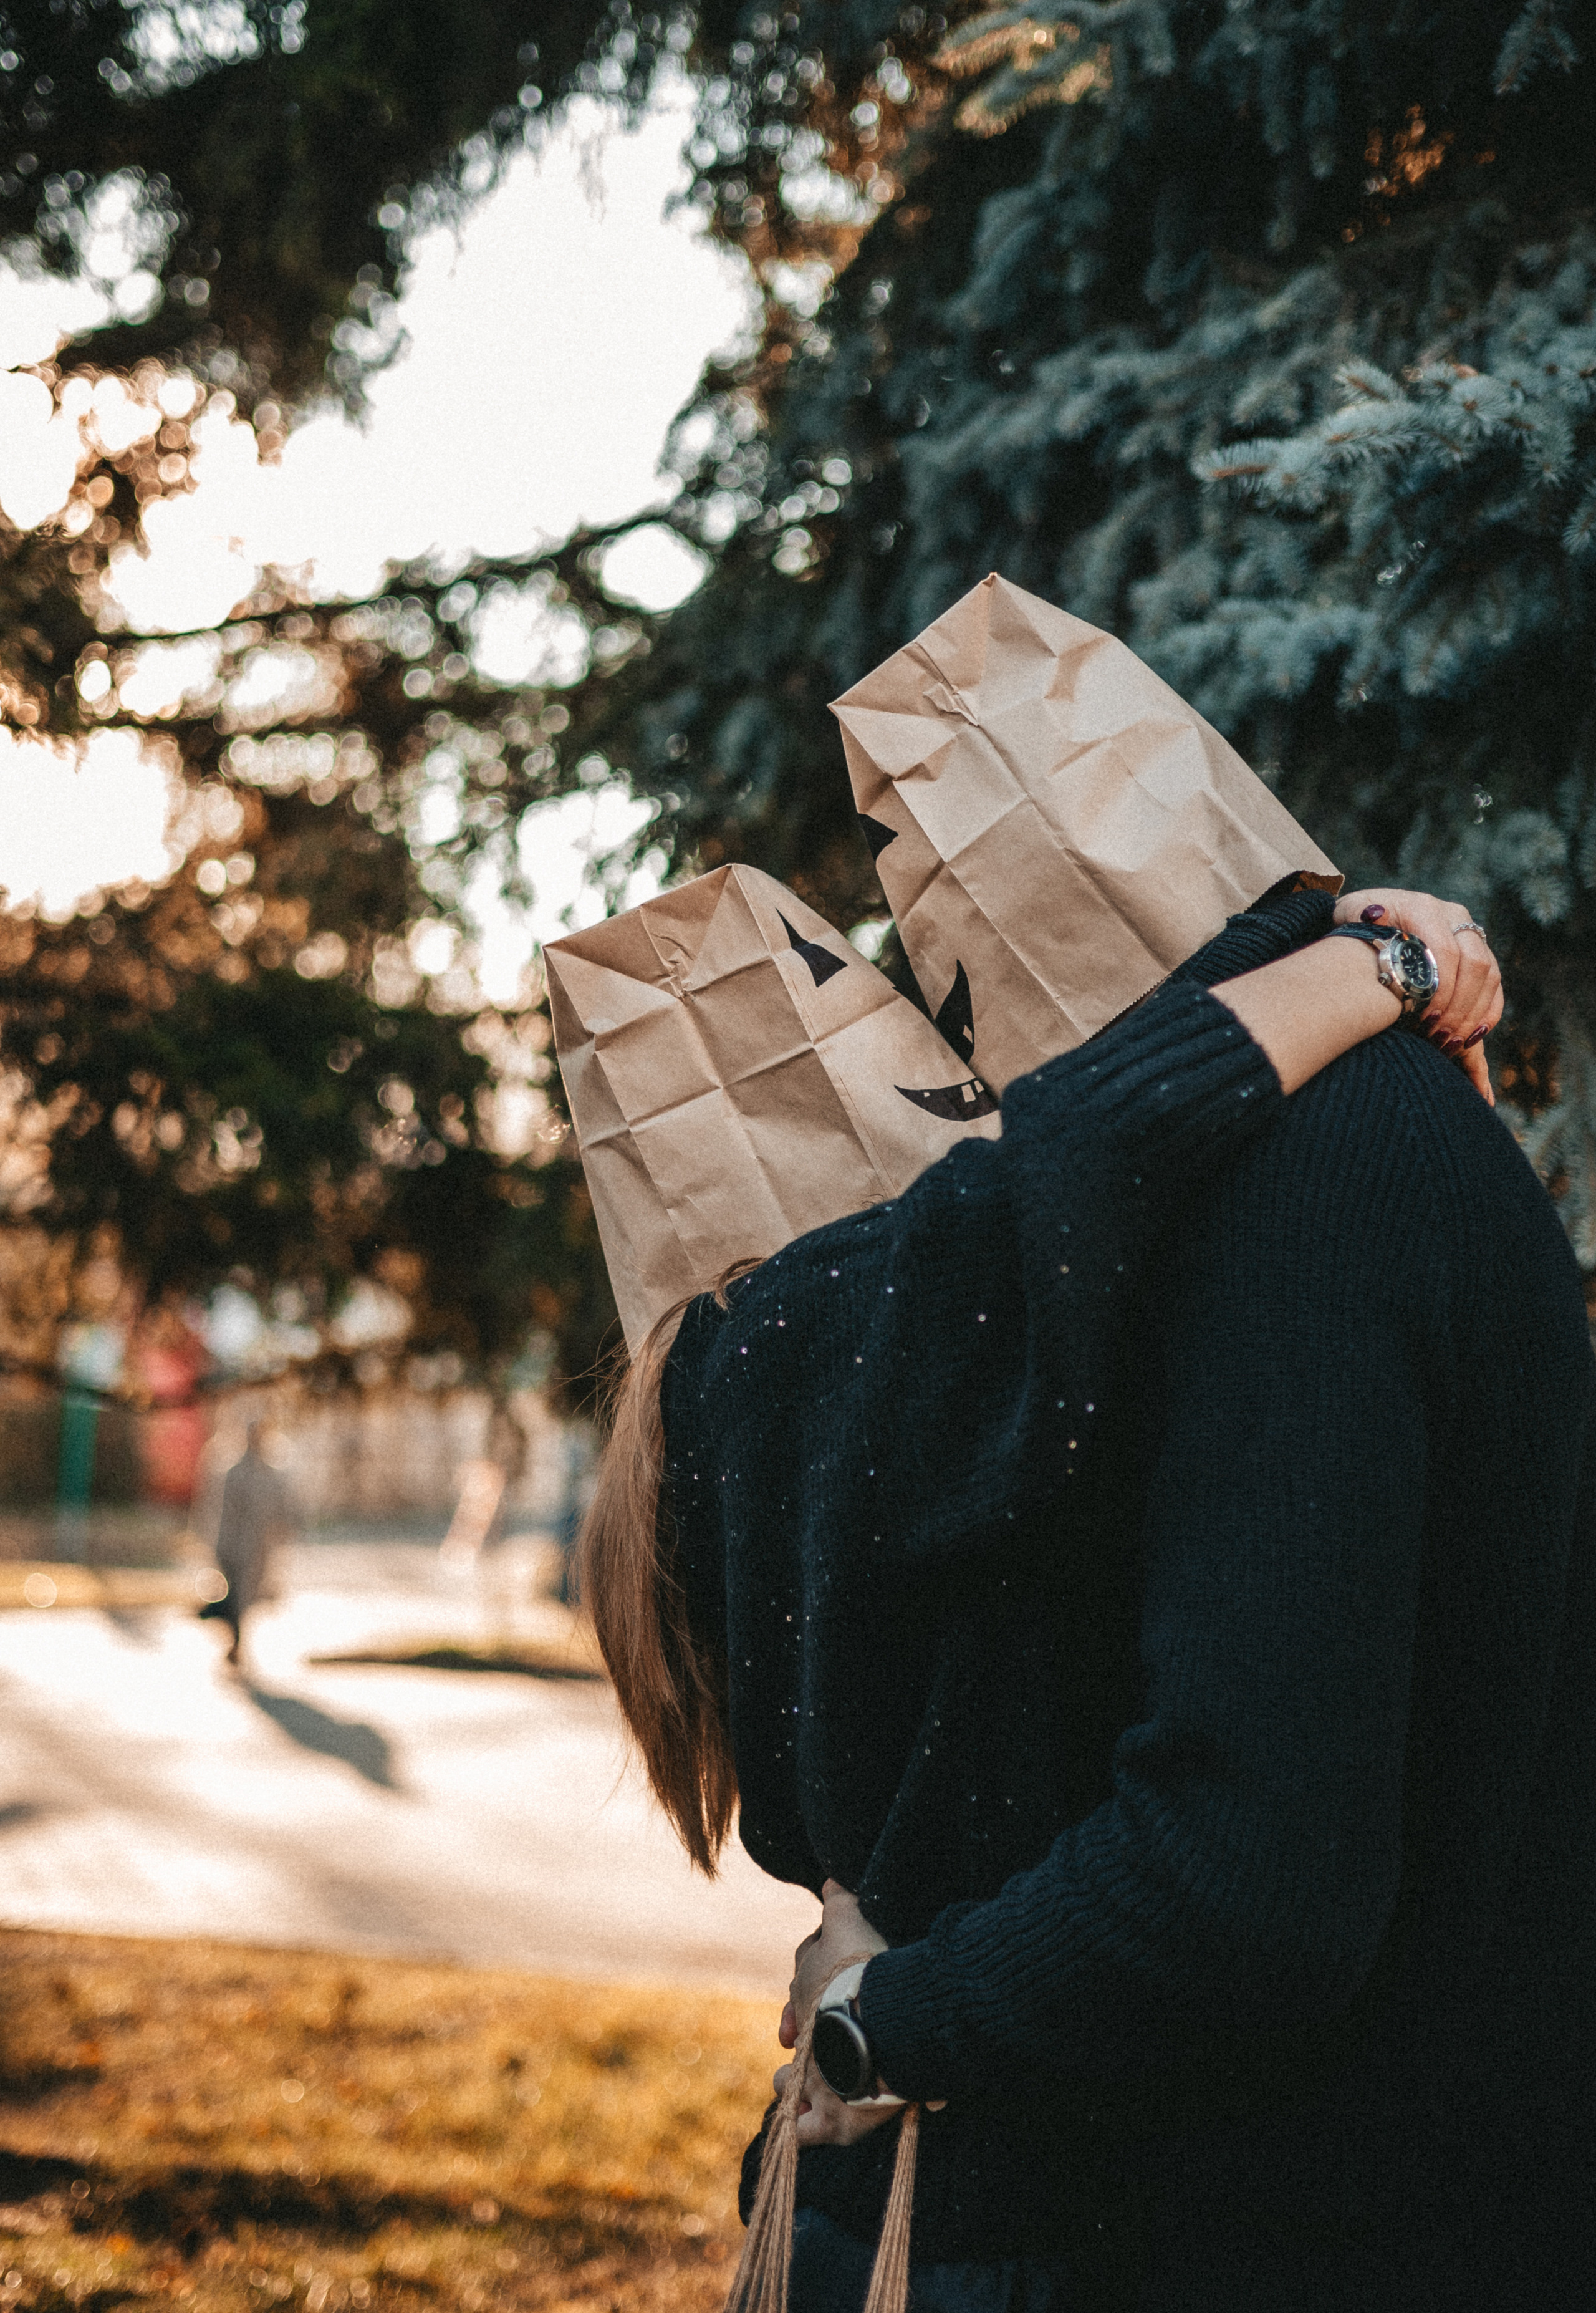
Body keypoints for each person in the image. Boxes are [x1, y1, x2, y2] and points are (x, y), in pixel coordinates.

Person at [579, 866, 1592, 2309]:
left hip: (960, 2192)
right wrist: (1353, 957)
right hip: (1041, 2211)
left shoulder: (776, 1383)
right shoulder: (858, 1325)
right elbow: (1079, 1154)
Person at [208, 1419, 297, 1669]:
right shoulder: (235, 1472)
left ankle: (238, 1641)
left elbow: (283, 1510)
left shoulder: (271, 1474)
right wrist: (219, 1546)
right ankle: (236, 1642)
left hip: (259, 1549)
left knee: (249, 1598)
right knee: (237, 1596)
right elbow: (224, 1513)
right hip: (236, 1547)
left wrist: (285, 1533)